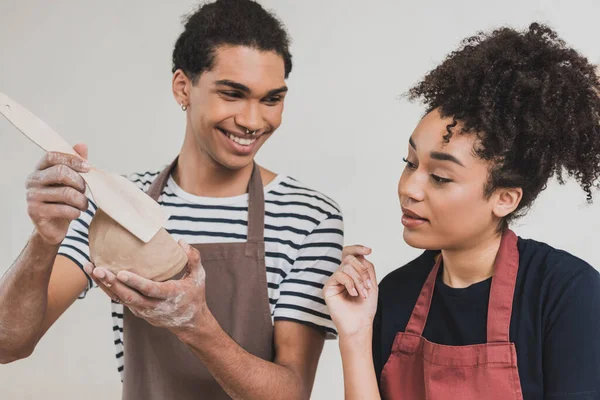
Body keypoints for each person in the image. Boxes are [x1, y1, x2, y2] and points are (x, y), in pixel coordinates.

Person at [0, 1, 344, 399]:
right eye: (233, 94)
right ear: (183, 87)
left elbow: (292, 393)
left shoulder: (309, 217)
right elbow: (8, 344)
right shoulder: (116, 205)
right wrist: (44, 240)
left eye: (271, 99)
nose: (253, 120)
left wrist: (195, 324)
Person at [324, 23, 600, 399]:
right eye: (409, 163)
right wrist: (354, 334)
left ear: (505, 198)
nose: (408, 188)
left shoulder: (567, 295)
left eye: (439, 177)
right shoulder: (396, 295)